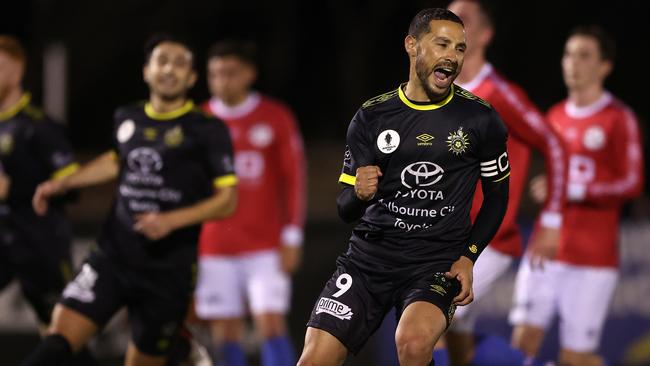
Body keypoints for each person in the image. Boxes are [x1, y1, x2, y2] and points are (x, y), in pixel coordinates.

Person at [297, 8, 510, 366]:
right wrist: (358, 194)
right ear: (412, 46)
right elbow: (345, 208)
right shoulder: (371, 117)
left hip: (435, 262)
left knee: (412, 343)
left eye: (459, 48)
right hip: (367, 261)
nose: (452, 56)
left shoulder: (480, 119)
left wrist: (468, 256)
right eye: (442, 44)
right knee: (313, 360)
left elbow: (497, 196)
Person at [20, 33, 238, 366]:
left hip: (167, 271)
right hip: (111, 256)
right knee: (56, 343)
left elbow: (227, 201)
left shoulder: (208, 130)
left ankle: (179, 348)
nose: (169, 69)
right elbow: (114, 160)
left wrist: (170, 221)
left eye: (180, 64)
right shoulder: (127, 117)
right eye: (162, 61)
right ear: (146, 71)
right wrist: (61, 184)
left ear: (192, 78)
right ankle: (180, 348)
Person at [434, 1, 568, 365]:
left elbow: (554, 143)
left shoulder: (499, 93)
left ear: (486, 35)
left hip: (488, 239)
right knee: (455, 339)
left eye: (465, 20)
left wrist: (552, 221)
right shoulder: (439, 92)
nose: (453, 24)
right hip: (447, 235)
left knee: (428, 321)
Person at [509, 25, 644, 366]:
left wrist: (573, 189)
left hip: (592, 257)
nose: (573, 63)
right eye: (568, 54)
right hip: (546, 249)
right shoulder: (553, 116)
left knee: (574, 358)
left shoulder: (619, 119)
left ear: (604, 67)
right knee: (522, 344)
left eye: (584, 56)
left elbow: (631, 183)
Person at [194, 40, 305, 366]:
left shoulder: (274, 116)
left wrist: (292, 237)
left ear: (249, 74)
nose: (222, 80)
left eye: (230, 72)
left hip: (265, 246)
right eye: (215, 73)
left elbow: (294, 179)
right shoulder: (199, 122)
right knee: (225, 331)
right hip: (214, 246)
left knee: (270, 324)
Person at [0, 34, 78, 331]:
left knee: (61, 333)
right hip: (3, 242)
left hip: (40, 245)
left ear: (17, 70)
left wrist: (14, 189)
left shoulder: (39, 126)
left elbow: (72, 187)